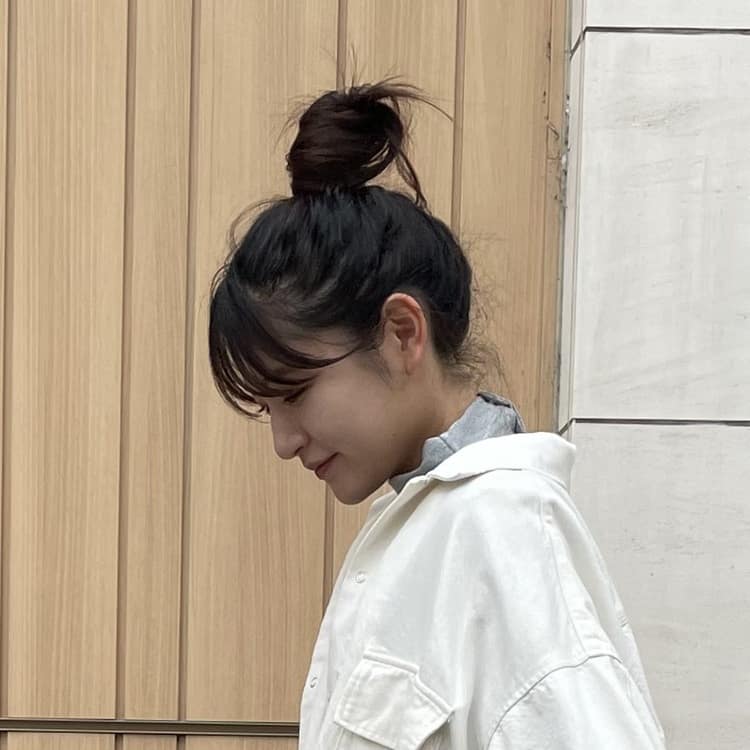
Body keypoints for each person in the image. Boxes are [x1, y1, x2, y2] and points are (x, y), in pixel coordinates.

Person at [208, 79, 666, 749]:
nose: (282, 440)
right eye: (266, 406)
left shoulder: (498, 527)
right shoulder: (425, 524)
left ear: (401, 333)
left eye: (296, 391)